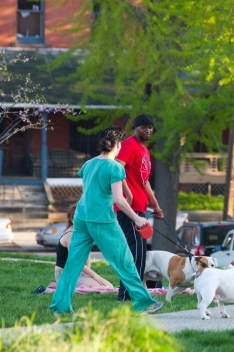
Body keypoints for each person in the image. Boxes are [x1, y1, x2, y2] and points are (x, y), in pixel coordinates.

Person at [50, 126, 163, 315]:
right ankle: (143, 303)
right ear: (118, 145)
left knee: (74, 263)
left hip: (81, 217)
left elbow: (95, 190)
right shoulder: (115, 167)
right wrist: (137, 218)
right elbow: (118, 199)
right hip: (102, 219)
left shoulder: (89, 164)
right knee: (124, 261)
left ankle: (60, 306)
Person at [115, 113, 164, 302]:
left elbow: (145, 182)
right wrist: (128, 194)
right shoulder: (129, 145)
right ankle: (127, 293)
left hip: (140, 209)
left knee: (139, 252)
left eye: (150, 127)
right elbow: (117, 168)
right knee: (134, 251)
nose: (148, 130)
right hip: (128, 209)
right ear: (136, 128)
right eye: (144, 127)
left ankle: (129, 292)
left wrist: (156, 205)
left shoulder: (145, 150)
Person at [54, 204, 114, 289]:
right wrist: (95, 276)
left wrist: (87, 273)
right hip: (65, 274)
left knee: (109, 286)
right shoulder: (70, 235)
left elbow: (86, 255)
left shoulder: (79, 233)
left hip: (77, 272)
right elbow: (76, 261)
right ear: (72, 219)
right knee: (106, 287)